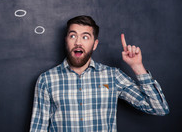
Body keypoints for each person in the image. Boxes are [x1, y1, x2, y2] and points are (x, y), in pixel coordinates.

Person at [29, 15, 169, 132]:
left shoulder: (113, 76)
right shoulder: (46, 80)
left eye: (85, 37)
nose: (78, 42)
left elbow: (159, 109)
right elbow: (38, 128)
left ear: (95, 44)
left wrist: (137, 66)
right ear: (66, 41)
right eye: (73, 36)